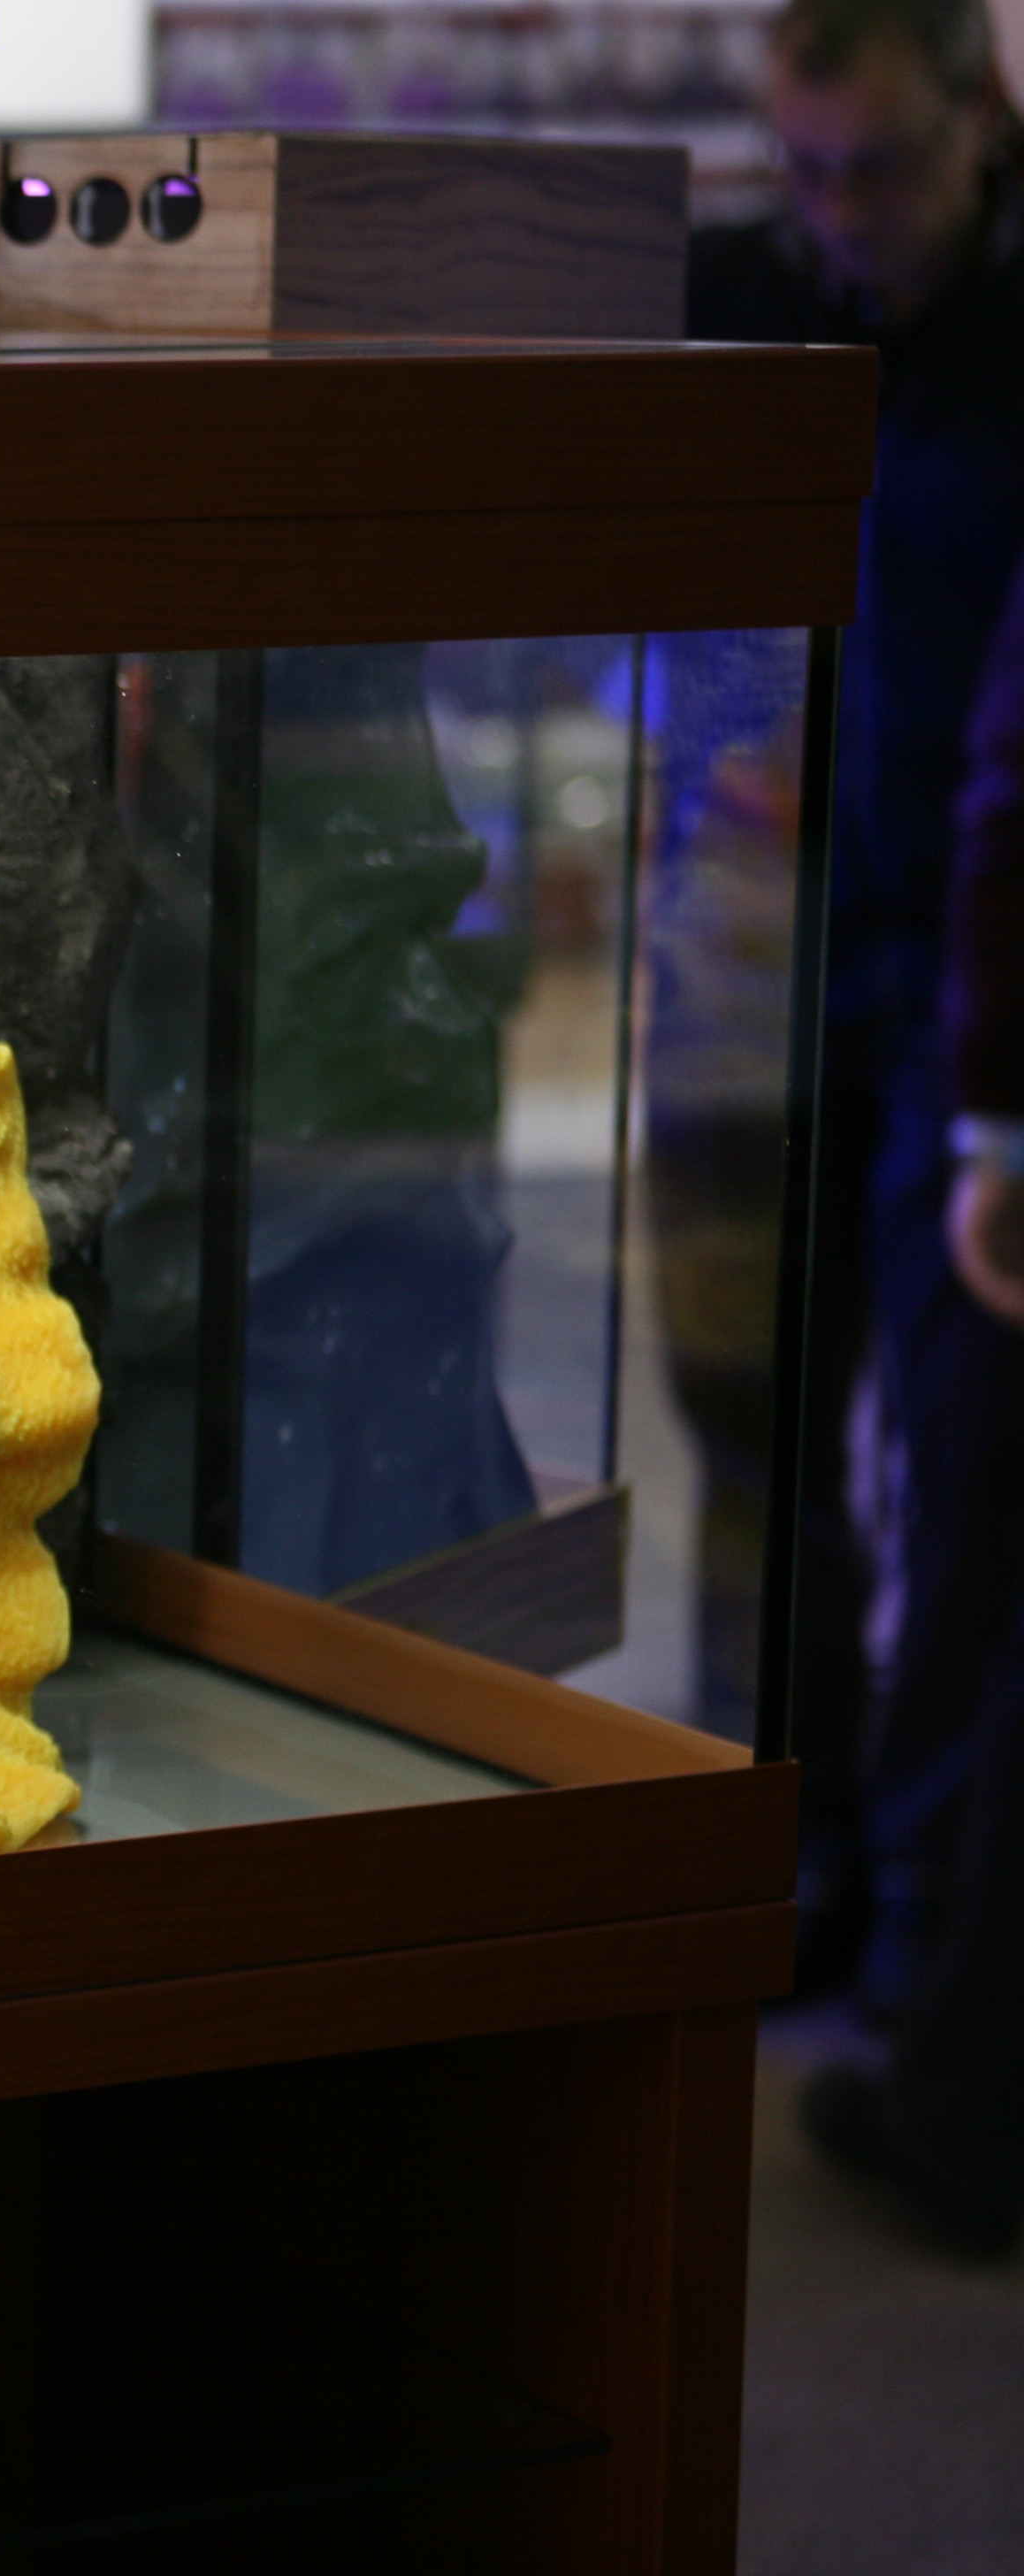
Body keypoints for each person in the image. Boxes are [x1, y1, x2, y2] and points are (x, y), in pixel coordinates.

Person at [693, 0, 1024, 2258]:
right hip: (762, 942)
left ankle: (939, 2007)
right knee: (754, 1434)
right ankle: (791, 1882)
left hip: (967, 983)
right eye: (802, 172)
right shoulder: (760, 293)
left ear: (979, 124)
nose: (839, 221)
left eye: (876, 174)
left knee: (968, 1499)